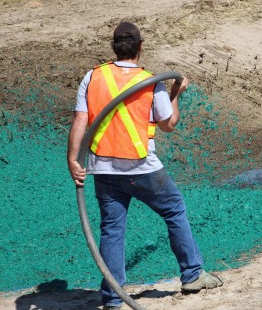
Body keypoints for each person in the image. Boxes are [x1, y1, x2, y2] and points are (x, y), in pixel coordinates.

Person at [67, 22, 222, 310]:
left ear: (114, 46)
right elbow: (169, 124)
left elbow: (79, 121)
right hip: (141, 167)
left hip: (102, 168)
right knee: (174, 208)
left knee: (112, 229)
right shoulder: (152, 82)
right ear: (140, 47)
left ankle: (113, 297)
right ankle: (192, 275)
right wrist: (176, 94)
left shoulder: (92, 77)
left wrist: (73, 161)